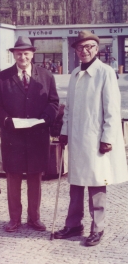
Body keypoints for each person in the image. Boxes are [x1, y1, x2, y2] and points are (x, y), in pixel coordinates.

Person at [54, 30, 128, 246]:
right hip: (77, 139)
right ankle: (74, 224)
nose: (84, 51)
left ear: (97, 49)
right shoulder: (76, 73)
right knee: (75, 184)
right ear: (76, 51)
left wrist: (108, 138)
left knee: (97, 184)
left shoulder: (105, 73)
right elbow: (68, 108)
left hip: (96, 141)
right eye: (80, 48)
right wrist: (65, 131)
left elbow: (112, 109)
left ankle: (98, 227)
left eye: (89, 47)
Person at [0, 36, 59, 232]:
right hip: (13, 137)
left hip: (37, 136)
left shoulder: (46, 76)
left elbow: (53, 102)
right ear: (13, 54)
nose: (23, 56)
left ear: (33, 54)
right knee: (13, 178)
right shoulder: (2, 78)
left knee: (35, 178)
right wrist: (6, 121)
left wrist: (46, 118)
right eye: (19, 53)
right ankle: (14, 219)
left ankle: (34, 218)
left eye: (26, 53)